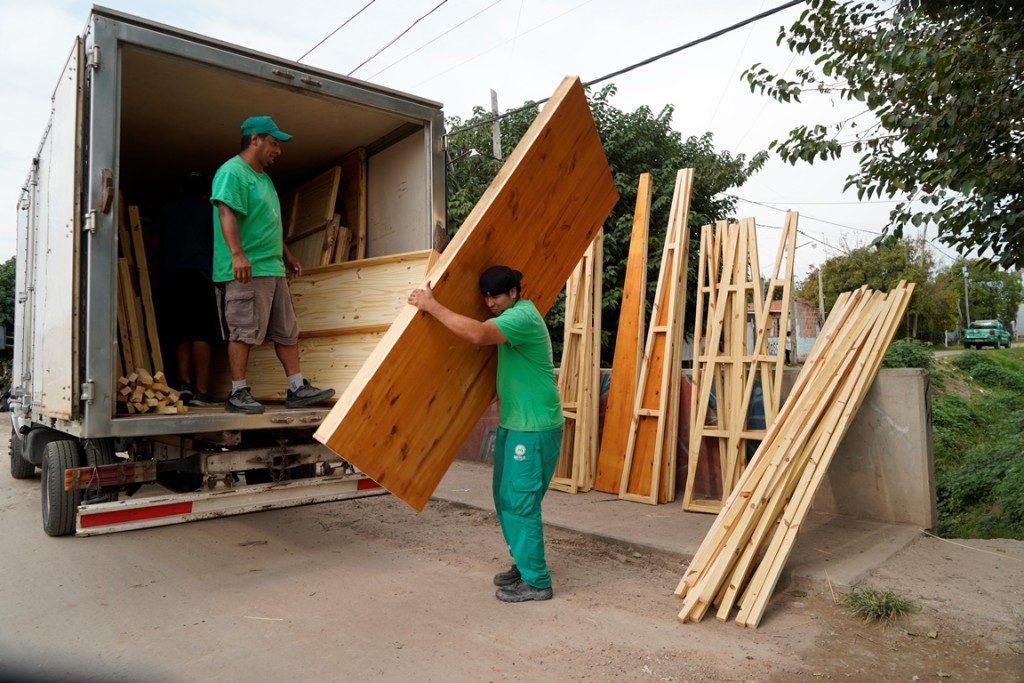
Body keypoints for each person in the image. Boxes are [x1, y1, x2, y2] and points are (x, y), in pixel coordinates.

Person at [408, 265, 564, 603]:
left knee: (521, 501)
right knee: (505, 497)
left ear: (514, 293)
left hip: (534, 427)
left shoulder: (522, 317)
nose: (490, 302)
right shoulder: (510, 316)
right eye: (487, 296)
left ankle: (538, 583)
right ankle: (524, 565)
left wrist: (431, 305)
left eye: (496, 295)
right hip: (515, 422)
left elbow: (477, 335)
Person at [210, 115, 334, 414]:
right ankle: (237, 393)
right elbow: (226, 214)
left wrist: (287, 255)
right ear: (255, 139)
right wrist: (238, 255)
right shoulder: (232, 172)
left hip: (273, 268)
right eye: (274, 143)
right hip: (247, 270)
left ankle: (296, 388)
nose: (278, 150)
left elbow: (268, 225)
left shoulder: (263, 179)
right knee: (244, 331)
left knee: (286, 331)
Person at [154, 171, 222, 406]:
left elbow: (156, 244)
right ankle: (201, 390)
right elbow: (220, 242)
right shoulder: (212, 211)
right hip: (200, 276)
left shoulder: (165, 210)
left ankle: (183, 384)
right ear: (206, 192)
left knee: (180, 332)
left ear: (181, 189)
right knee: (201, 333)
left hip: (171, 277)